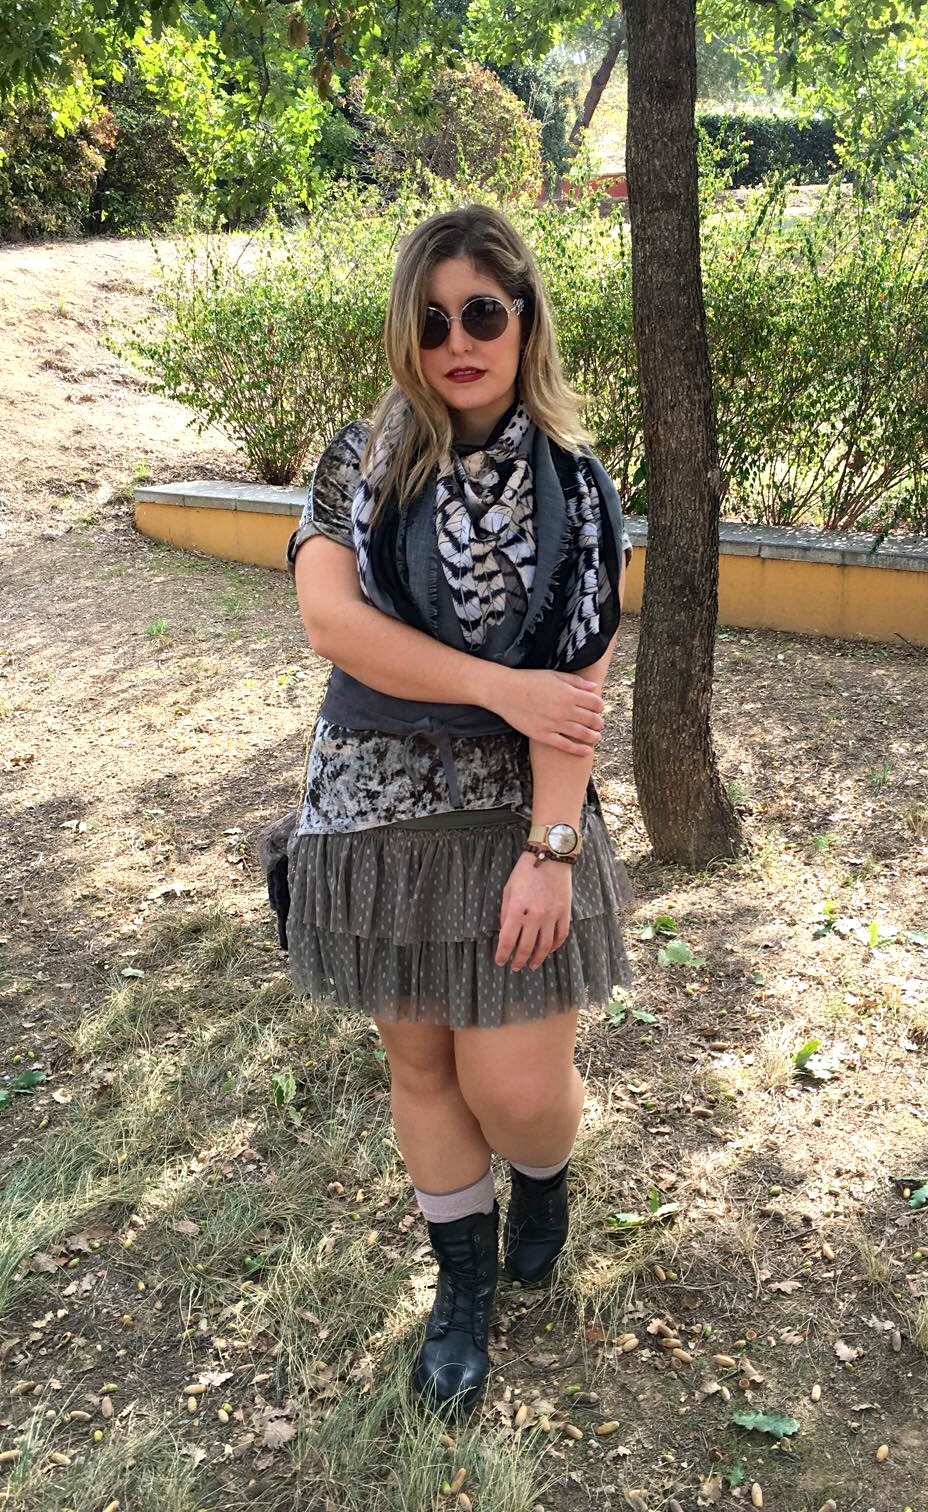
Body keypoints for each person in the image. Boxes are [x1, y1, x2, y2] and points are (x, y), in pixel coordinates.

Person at [285, 203, 634, 1414]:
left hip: (515, 807)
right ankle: (462, 1287)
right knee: (422, 1062)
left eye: (482, 311)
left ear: (524, 318)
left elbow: (577, 688)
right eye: (431, 321)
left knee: (517, 1089)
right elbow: (333, 623)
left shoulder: (578, 488)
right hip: (370, 801)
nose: (458, 341)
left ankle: (542, 1174)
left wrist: (554, 849)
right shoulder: (359, 460)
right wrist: (499, 686)